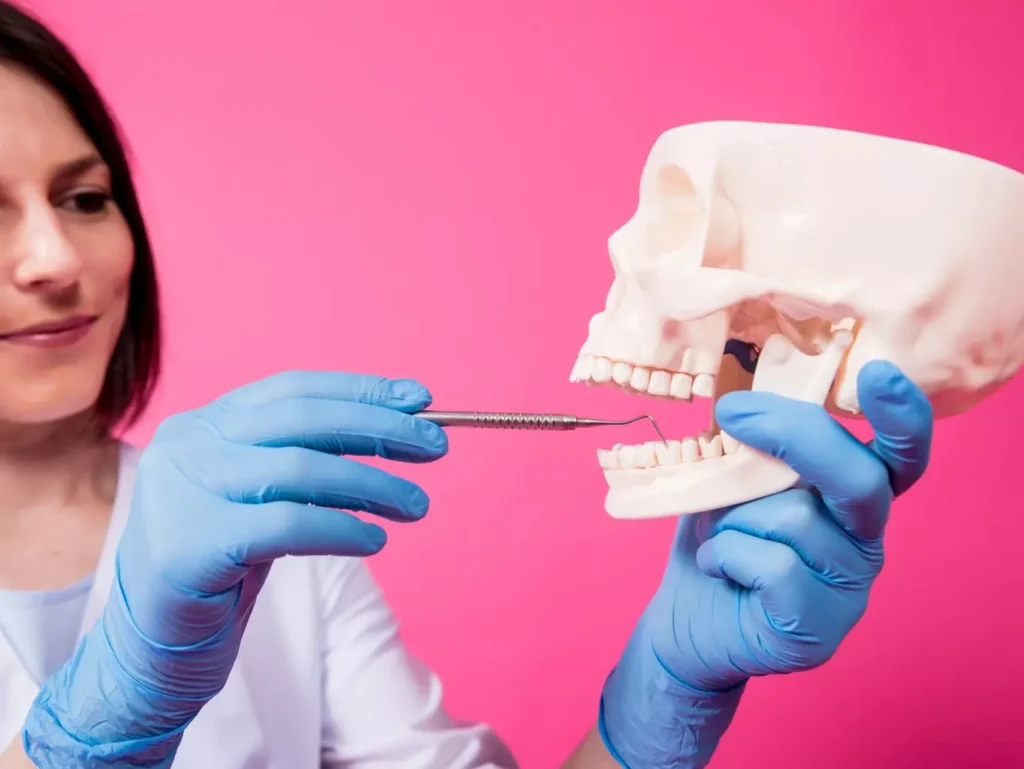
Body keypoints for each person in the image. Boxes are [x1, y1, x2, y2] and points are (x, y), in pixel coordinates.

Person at [0, 2, 933, 767]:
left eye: (83, 198)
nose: (53, 258)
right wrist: (91, 736)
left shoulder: (271, 538)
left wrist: (665, 699)